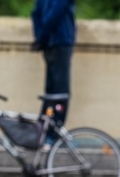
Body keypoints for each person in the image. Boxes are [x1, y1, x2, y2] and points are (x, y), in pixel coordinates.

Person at [31, 0, 76, 143]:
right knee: (58, 92)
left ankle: (47, 133)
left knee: (53, 92)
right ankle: (51, 134)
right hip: (60, 41)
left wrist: (41, 37)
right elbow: (53, 12)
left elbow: (39, 14)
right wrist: (42, 36)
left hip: (51, 42)